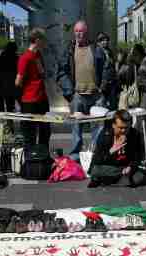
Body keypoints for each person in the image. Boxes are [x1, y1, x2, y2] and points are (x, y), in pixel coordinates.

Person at [57, 20, 114, 159]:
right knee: (76, 128)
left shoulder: (96, 49)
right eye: (76, 31)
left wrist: (103, 88)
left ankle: (94, 154)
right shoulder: (69, 50)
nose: (78, 34)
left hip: (96, 96)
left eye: (81, 31)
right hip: (77, 96)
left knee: (98, 127)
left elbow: (108, 69)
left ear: (86, 32)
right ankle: (76, 155)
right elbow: (62, 72)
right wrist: (70, 93)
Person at [88, 110, 146, 188]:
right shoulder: (105, 134)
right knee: (96, 170)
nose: (123, 131)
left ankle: (111, 180)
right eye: (120, 128)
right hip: (109, 167)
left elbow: (138, 157)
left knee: (141, 173)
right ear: (113, 125)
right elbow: (96, 159)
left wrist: (131, 167)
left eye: (126, 128)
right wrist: (111, 151)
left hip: (125, 168)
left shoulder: (135, 134)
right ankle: (120, 180)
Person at [16, 28, 50, 149]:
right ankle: (30, 162)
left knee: (45, 132)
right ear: (37, 40)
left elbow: (42, 73)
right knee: (30, 134)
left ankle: (42, 160)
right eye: (43, 39)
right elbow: (18, 81)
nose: (45, 42)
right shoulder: (25, 58)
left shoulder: (37, 55)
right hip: (30, 101)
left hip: (42, 99)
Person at [96, 32, 117, 110]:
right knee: (102, 105)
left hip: (111, 82)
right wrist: (98, 85)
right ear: (99, 42)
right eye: (103, 40)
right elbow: (97, 70)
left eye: (107, 40)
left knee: (112, 105)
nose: (105, 42)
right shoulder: (98, 52)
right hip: (103, 84)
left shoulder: (109, 51)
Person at [0, 42, 18, 113]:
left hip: (3, 84)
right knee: (10, 104)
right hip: (10, 83)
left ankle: (8, 121)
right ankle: (10, 120)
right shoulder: (15, 57)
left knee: (6, 104)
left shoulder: (2, 57)